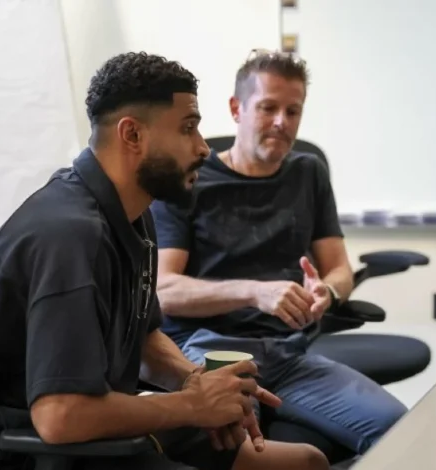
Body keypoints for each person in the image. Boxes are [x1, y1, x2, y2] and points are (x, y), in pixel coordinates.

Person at [0, 52, 327, 470]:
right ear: (132, 134)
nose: (203, 147)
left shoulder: (133, 213)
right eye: (187, 128)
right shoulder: (69, 236)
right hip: (42, 452)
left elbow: (143, 337)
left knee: (307, 461)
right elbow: (59, 416)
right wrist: (192, 406)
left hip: (105, 427)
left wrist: (194, 379)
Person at [150, 49, 407, 459]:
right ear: (236, 109)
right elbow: (164, 291)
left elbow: (339, 269)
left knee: (402, 432)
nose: (281, 122)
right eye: (268, 108)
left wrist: (328, 293)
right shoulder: (190, 179)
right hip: (212, 351)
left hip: (288, 352)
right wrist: (255, 292)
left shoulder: (308, 173)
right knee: (241, 453)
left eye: (293, 111)